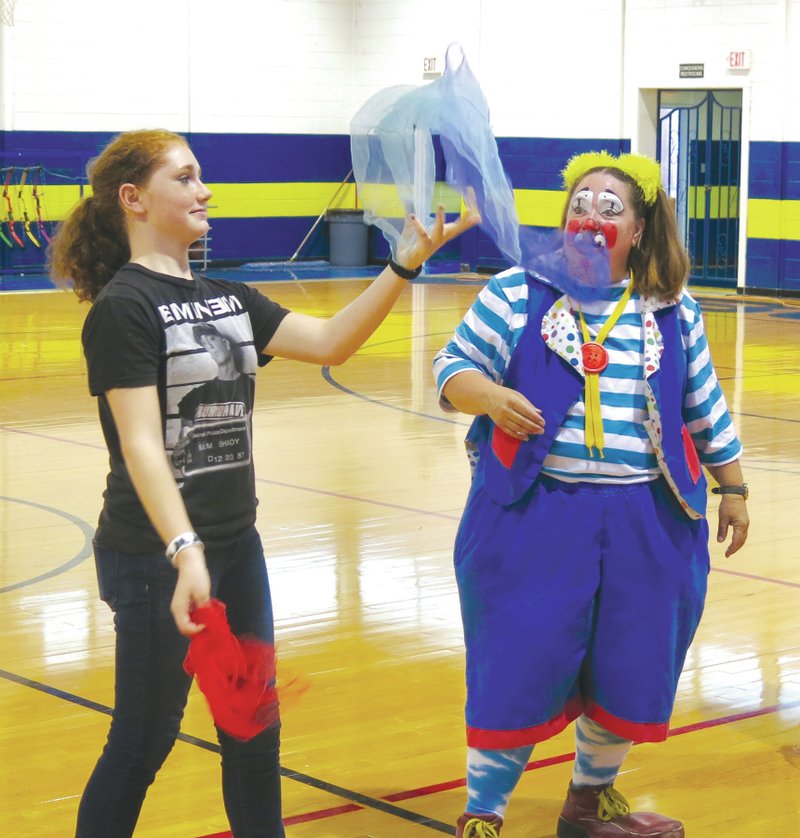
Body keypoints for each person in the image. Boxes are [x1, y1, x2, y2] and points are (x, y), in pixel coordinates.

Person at [47, 128, 479, 838]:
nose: (203, 190)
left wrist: (403, 265)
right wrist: (185, 550)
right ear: (133, 199)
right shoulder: (123, 308)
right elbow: (140, 445)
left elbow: (332, 341)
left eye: (200, 176)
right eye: (184, 178)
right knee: (143, 742)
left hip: (234, 549)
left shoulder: (229, 298)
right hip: (154, 560)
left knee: (252, 734)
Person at [432, 150, 749, 838]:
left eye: (611, 208)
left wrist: (734, 487)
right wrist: (488, 394)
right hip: (532, 514)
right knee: (517, 658)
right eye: (581, 203)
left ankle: (587, 803)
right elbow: (451, 367)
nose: (591, 216)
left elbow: (704, 404)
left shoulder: (671, 308)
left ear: (638, 229)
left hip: (648, 519)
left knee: (631, 662)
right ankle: (483, 814)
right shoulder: (518, 292)